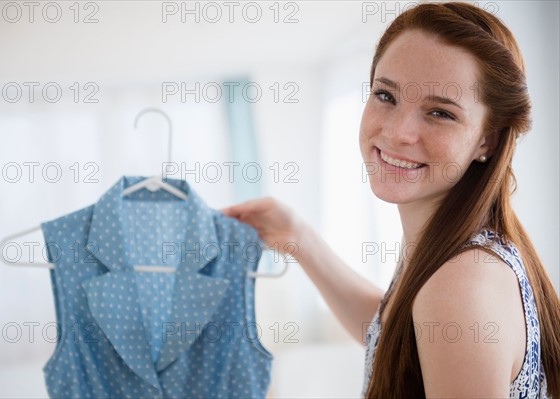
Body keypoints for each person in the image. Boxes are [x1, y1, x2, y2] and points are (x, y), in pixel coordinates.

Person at [221, 2, 560, 398]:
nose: (399, 132)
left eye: (440, 113)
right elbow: (393, 333)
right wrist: (299, 238)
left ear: (487, 140)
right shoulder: (452, 247)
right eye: (386, 95)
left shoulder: (460, 283)